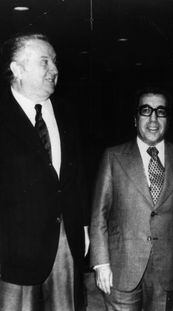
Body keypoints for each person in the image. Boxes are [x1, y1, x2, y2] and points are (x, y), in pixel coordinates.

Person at [90, 87, 173, 311]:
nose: (153, 118)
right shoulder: (113, 157)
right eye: (146, 111)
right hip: (121, 267)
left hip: (168, 269)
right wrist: (101, 263)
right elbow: (99, 216)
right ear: (135, 119)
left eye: (161, 112)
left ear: (168, 119)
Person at [0, 33, 88, 310]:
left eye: (54, 62)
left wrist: (83, 227)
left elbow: (77, 178)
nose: (55, 69)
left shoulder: (67, 113)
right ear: (18, 69)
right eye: (45, 62)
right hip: (12, 251)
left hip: (65, 246)